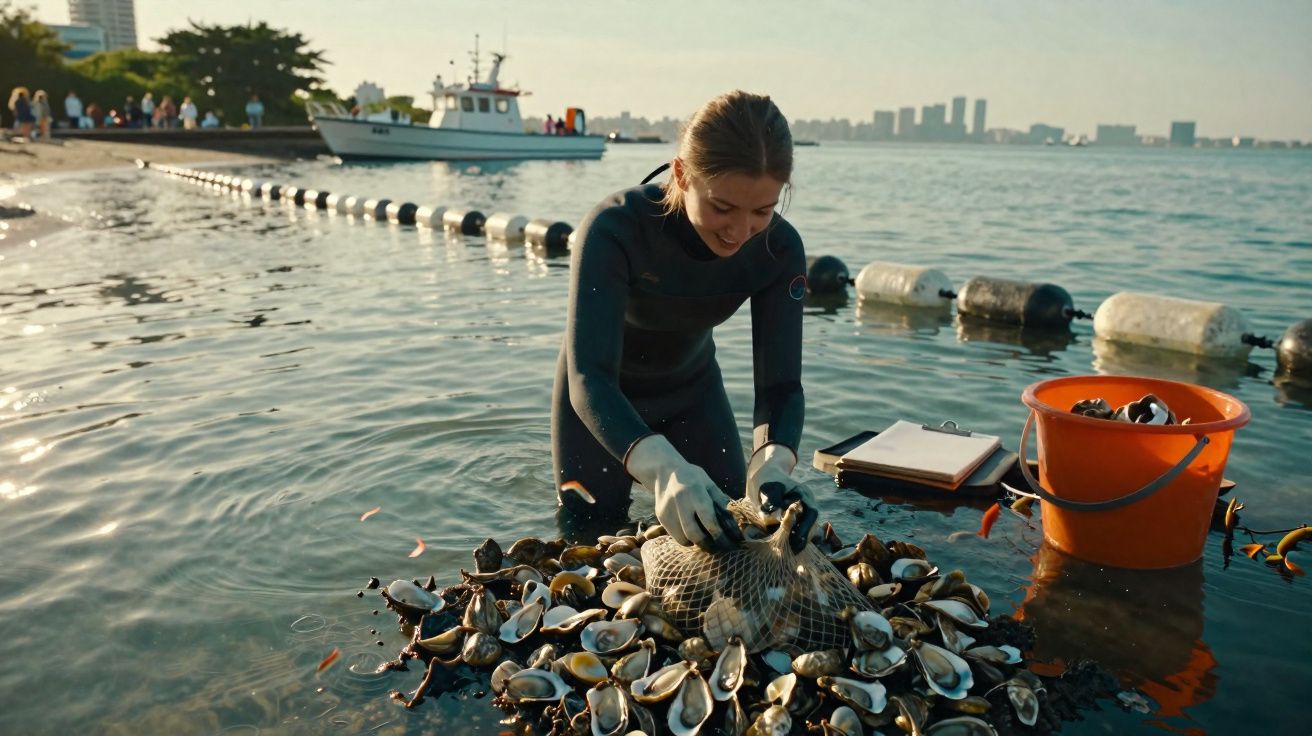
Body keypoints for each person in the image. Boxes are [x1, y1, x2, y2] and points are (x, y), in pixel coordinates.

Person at [551, 90, 815, 552]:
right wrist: (662, 467)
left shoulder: (780, 249)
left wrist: (772, 464)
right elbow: (588, 376)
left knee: (729, 534)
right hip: (601, 404)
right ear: (681, 174)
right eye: (722, 207)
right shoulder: (615, 228)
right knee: (589, 546)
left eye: (762, 211)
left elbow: (780, 389)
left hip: (694, 395)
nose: (739, 232)